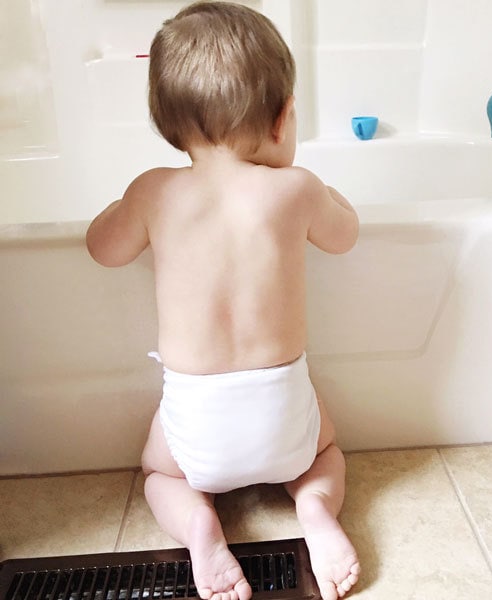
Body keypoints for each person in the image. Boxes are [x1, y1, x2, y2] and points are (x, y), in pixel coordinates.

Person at [86, 2, 360, 600]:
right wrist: (326, 193)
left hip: (196, 425)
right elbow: (347, 235)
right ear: (283, 119)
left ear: (167, 125)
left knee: (159, 472)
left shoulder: (155, 191)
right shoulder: (297, 189)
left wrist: (125, 205)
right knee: (326, 453)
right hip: (285, 415)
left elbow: (101, 248)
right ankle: (314, 509)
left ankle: (199, 525)